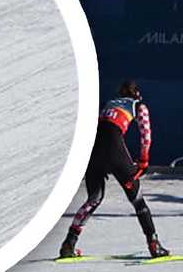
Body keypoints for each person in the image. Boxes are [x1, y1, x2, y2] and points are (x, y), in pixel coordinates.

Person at [60, 81, 168, 259]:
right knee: (137, 200)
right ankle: (154, 245)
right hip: (114, 149)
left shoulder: (108, 104)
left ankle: (68, 244)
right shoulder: (138, 105)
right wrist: (144, 161)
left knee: (93, 199)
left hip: (93, 150)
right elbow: (146, 134)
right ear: (136, 94)